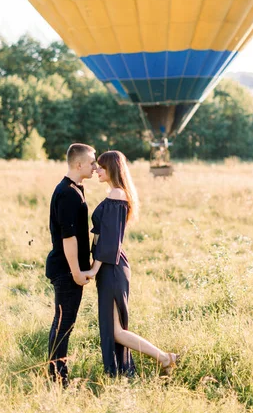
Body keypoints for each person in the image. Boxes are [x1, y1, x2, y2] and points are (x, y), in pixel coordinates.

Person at [83, 150, 178, 377]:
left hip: (111, 267)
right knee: (114, 328)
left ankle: (165, 358)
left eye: (101, 167)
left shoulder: (117, 194)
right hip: (111, 266)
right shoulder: (116, 193)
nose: (96, 170)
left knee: (115, 330)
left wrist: (94, 269)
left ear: (112, 169)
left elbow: (110, 241)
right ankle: (134, 369)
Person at [46, 142, 97, 385]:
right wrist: (76, 271)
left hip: (68, 269)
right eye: (92, 162)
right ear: (79, 164)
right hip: (66, 270)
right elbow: (68, 237)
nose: (95, 166)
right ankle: (58, 379)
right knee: (64, 324)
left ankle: (55, 375)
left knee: (62, 321)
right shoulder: (67, 193)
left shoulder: (75, 188)